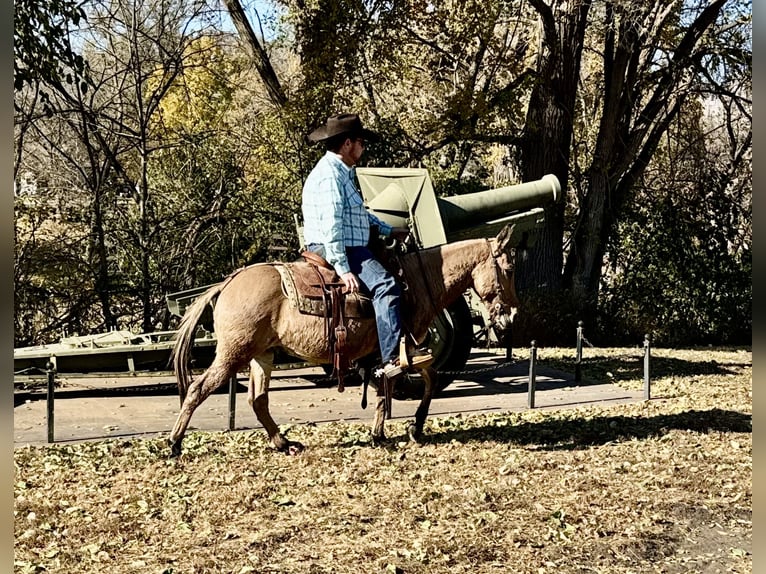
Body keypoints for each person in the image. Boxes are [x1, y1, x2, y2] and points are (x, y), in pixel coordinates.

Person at [301, 112, 432, 379]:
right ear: (347, 143)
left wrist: (388, 230)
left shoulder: (340, 172)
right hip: (342, 247)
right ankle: (391, 358)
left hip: (348, 245)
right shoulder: (330, 178)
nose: (363, 147)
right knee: (386, 285)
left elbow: (359, 214)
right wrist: (343, 266)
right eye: (361, 141)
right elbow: (332, 225)